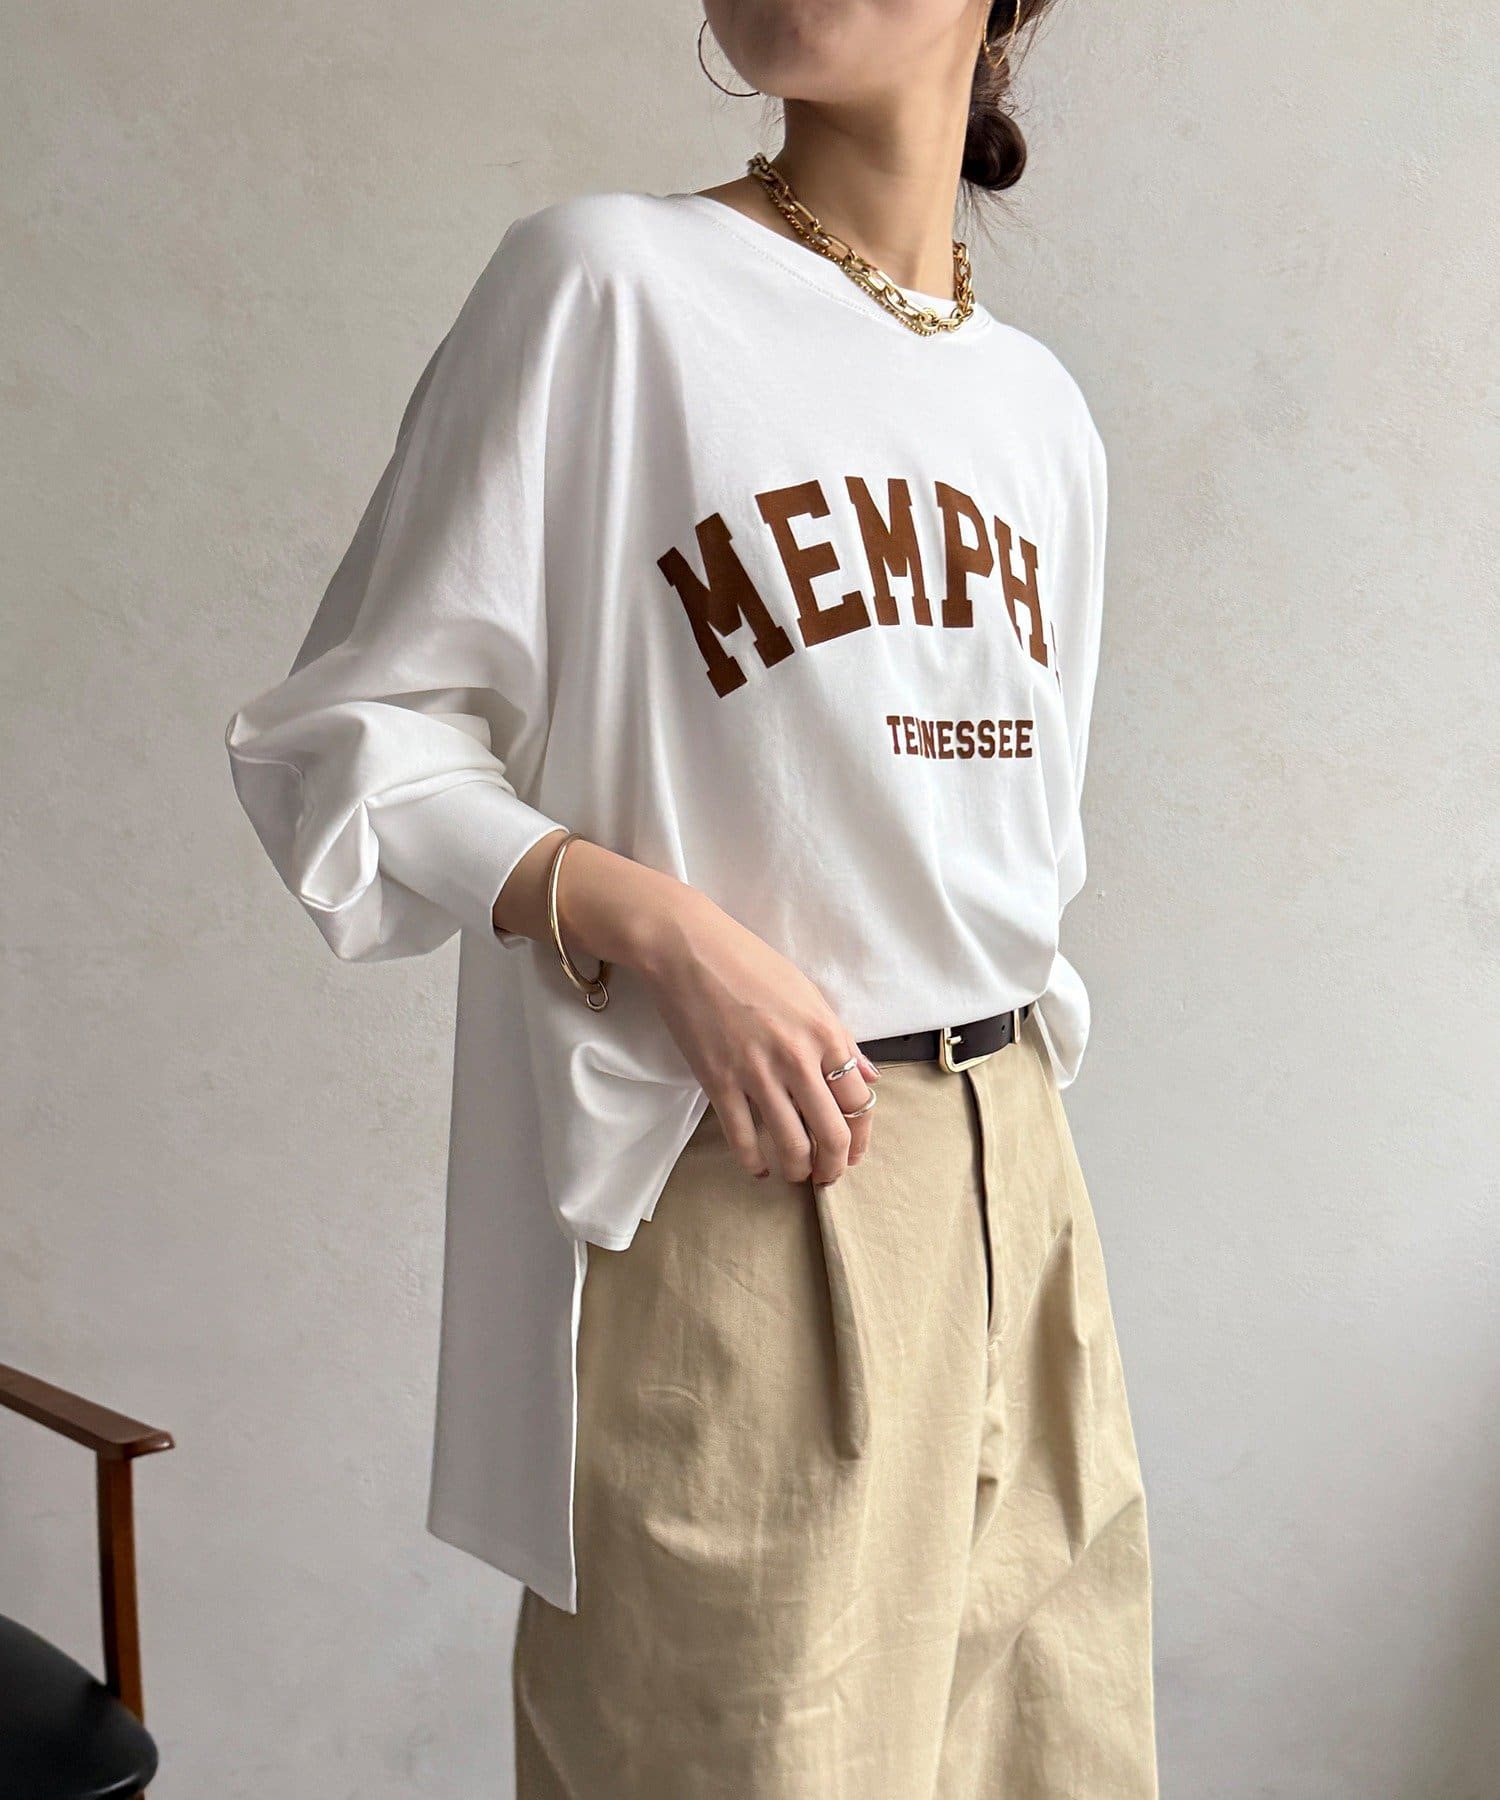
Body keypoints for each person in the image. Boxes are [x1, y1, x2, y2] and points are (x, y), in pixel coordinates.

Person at [225, 1, 1158, 1792]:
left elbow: (1020, 843)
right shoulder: (606, 288)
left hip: (1024, 1192)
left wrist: (1019, 1175)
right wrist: (644, 918)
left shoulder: (1041, 411)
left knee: (1059, 1757)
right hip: (754, 1184)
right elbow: (348, 737)